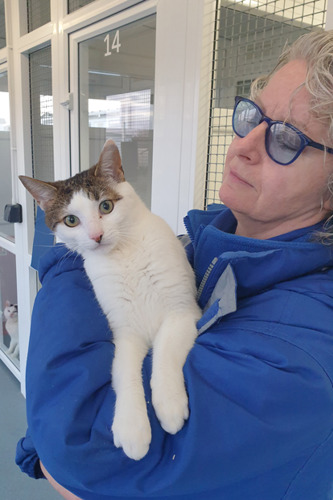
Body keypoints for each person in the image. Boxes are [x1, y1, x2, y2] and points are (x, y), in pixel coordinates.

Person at [16, 29, 333, 500]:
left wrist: (68, 263)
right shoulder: (203, 243)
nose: (244, 145)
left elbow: (79, 451)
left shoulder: (306, 349)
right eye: (253, 115)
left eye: (286, 139)